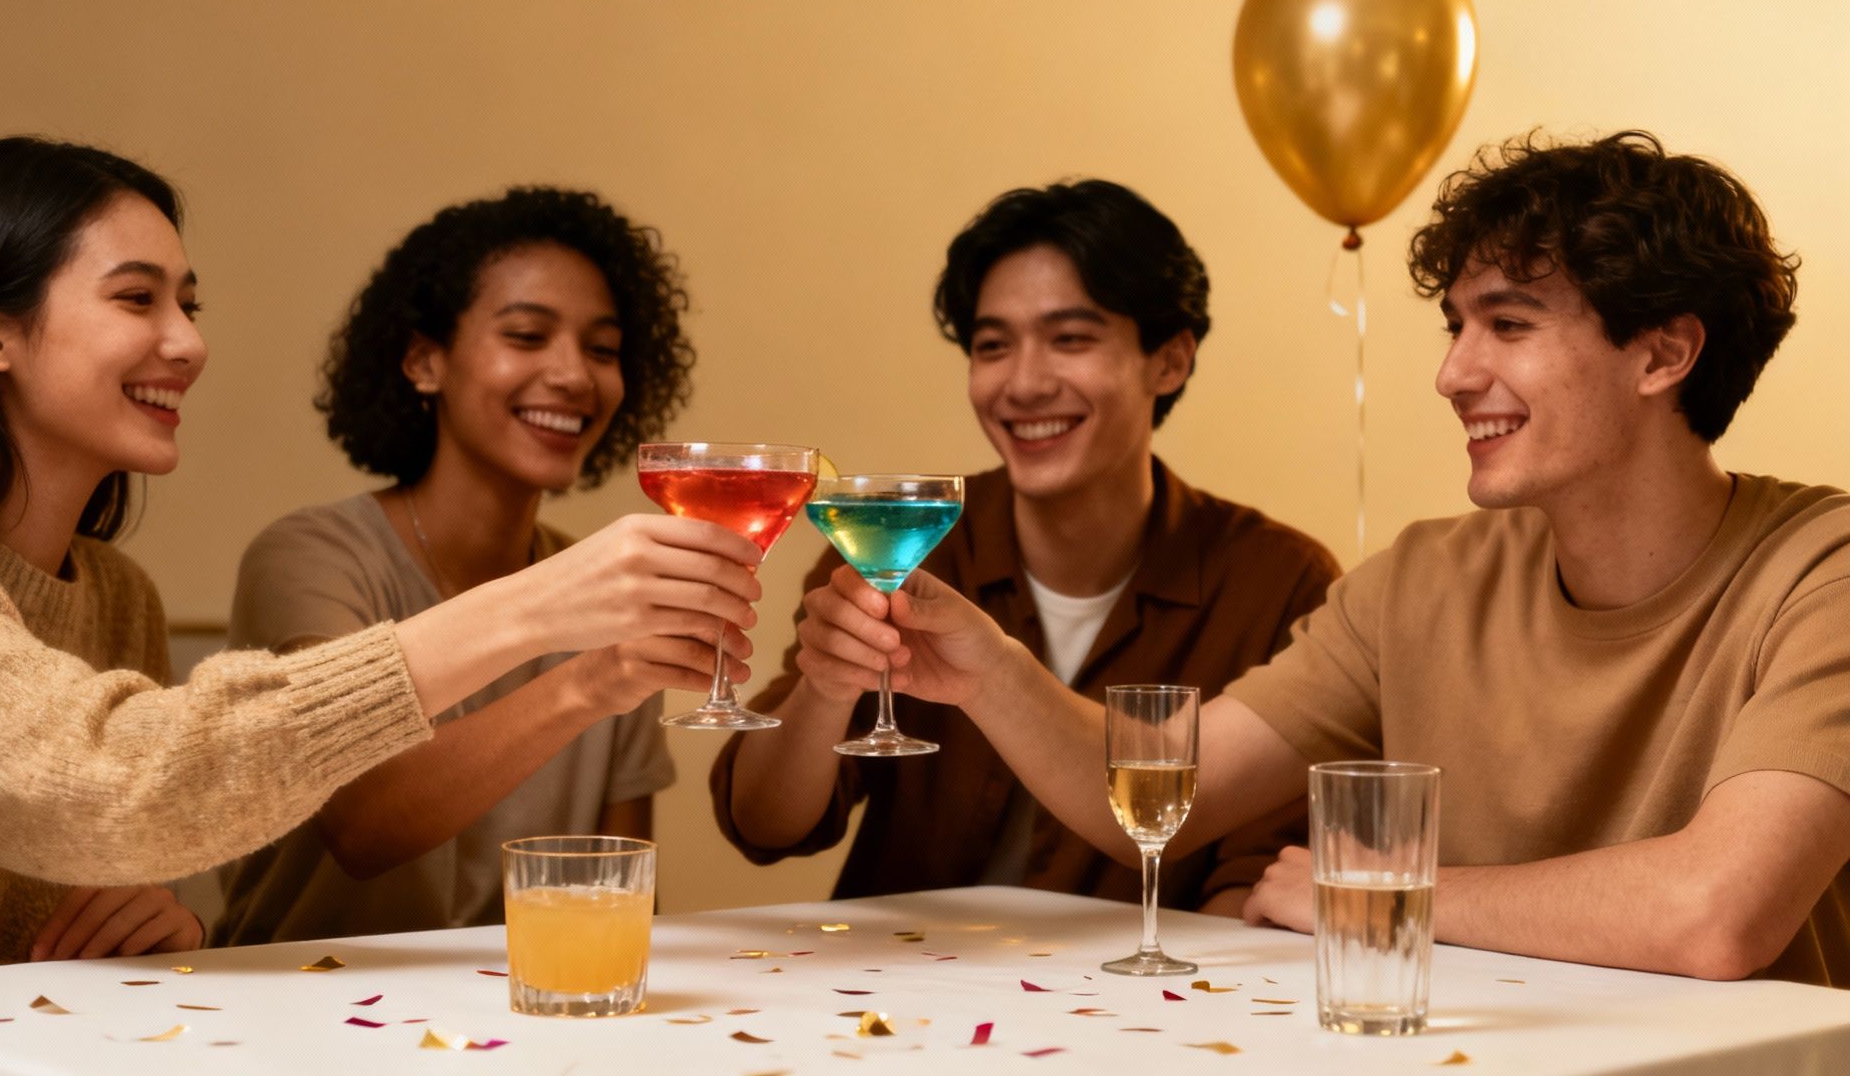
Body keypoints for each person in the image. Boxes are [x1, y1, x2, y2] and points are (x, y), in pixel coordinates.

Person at [790, 132, 1850, 986]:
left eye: (1508, 324)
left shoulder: (1824, 572)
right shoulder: (1422, 578)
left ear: (1663, 352)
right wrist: (984, 668)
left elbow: (1715, 914)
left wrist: (1369, 889)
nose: (1451, 373)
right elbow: (1167, 790)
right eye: (1455, 326)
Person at [0, 138, 764, 980]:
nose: (189, 343)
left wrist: (166, 926)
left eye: (188, 304)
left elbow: (117, 851)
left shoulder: (116, 594)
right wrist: (532, 612)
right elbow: (108, 784)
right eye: (137, 298)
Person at [713, 180, 1339, 910]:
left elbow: (1257, 883)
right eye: (992, 346)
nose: (1024, 383)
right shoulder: (901, 540)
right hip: (902, 973)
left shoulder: (1277, 580)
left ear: (1169, 360)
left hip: (1137, 979)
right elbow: (764, 826)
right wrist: (824, 689)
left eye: (1070, 339)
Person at [212, 188, 710, 944]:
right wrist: (590, 683)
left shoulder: (614, 589)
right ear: (424, 361)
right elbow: (363, 826)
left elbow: (617, 898)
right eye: (527, 336)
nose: (574, 375)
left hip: (526, 1007)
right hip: (304, 1001)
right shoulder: (309, 559)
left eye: (603, 350)